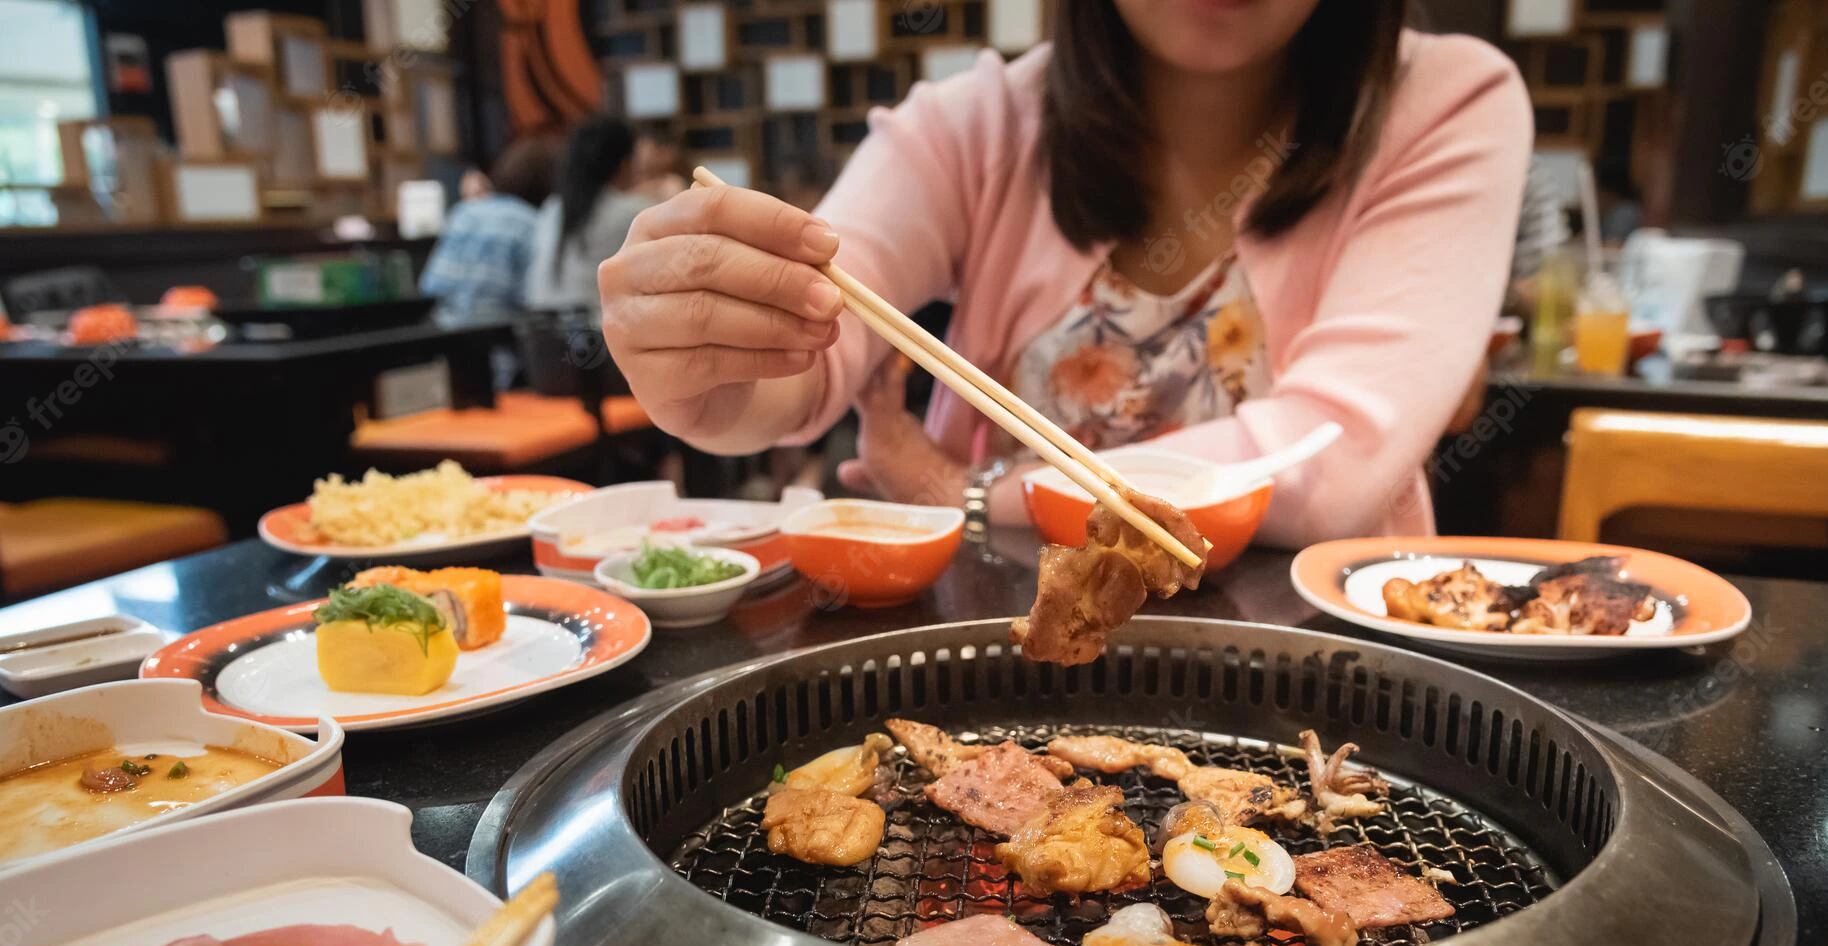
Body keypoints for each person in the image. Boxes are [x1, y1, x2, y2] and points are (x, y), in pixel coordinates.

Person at [597, 1, 1531, 546]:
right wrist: (716, 369)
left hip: (1332, 702)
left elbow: (1324, 465)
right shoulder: (974, 127)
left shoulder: (1446, 102)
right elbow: (827, 315)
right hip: (1007, 689)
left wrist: (962, 494)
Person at [419, 134, 558, 324]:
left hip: (443, 331)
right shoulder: (533, 222)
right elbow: (533, 296)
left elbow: (430, 284)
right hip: (499, 334)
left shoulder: (463, 211)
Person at [526, 116, 654, 315]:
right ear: (623, 164)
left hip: (539, 334)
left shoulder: (551, 208)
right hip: (594, 333)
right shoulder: (631, 213)